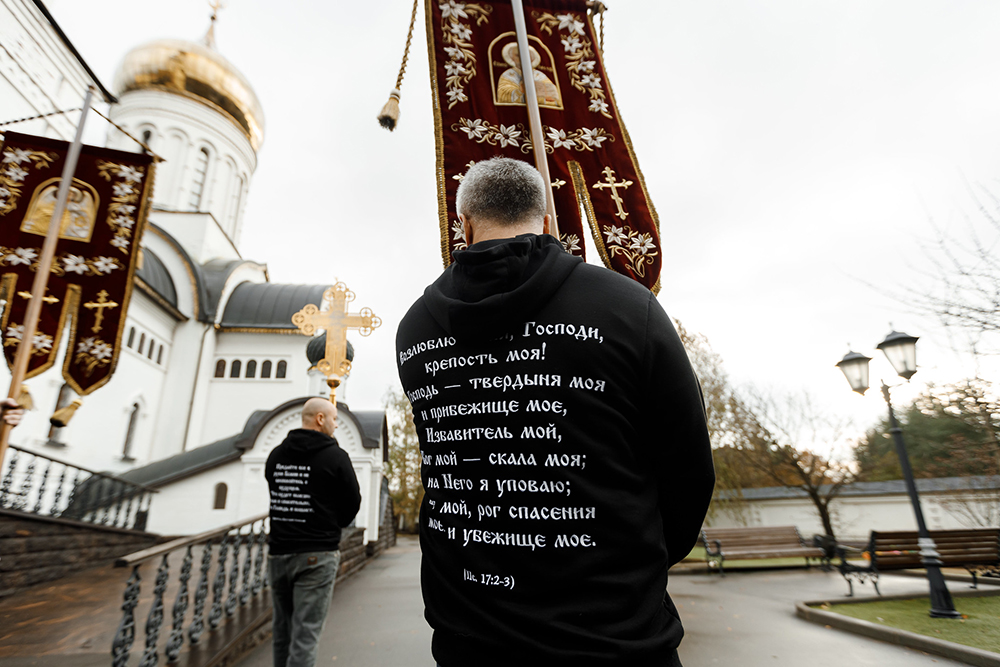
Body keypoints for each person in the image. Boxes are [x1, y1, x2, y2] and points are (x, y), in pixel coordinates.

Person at [396, 157, 715, 667]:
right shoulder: (627, 306)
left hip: (470, 631)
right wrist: (638, 561)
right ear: (548, 221)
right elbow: (688, 467)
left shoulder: (415, 328)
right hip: (613, 635)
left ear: (464, 225)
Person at [265, 397, 361, 667]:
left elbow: (276, 493)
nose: (336, 425)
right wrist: (331, 524)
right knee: (305, 635)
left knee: (282, 631)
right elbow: (352, 502)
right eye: (334, 419)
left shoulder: (276, 455)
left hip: (278, 553)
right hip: (317, 555)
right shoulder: (335, 457)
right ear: (320, 419)